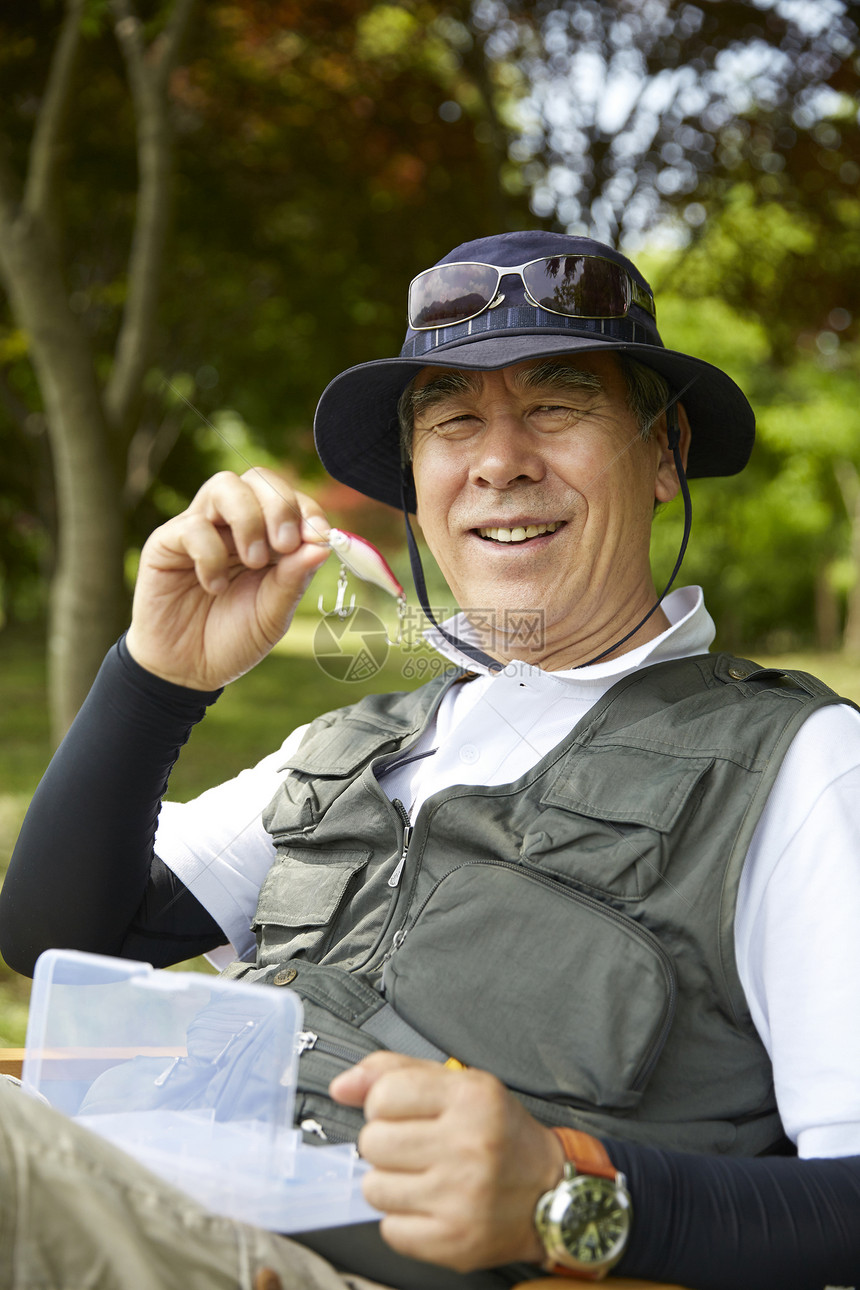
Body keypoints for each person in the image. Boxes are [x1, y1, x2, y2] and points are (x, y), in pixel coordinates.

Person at [2, 230, 860, 1290]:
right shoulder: (357, 746)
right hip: (152, 1201)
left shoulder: (795, 764)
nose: (498, 461)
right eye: (453, 420)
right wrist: (157, 675)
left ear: (663, 454)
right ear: (415, 483)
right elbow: (52, 935)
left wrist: (565, 1191)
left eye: (555, 407)